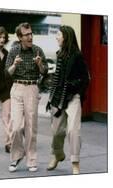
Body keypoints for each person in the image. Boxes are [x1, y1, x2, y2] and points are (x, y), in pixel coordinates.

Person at [46, 25, 90, 175]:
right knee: (57, 131)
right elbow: (57, 79)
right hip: (58, 98)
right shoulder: (59, 54)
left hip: (73, 97)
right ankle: (57, 155)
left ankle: (75, 162)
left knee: (73, 130)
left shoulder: (77, 55)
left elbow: (85, 78)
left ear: (66, 37)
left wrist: (76, 90)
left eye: (58, 34)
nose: (57, 37)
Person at [6, 22, 48, 172]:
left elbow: (44, 72)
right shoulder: (13, 51)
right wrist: (14, 65)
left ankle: (31, 159)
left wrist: (39, 65)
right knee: (16, 126)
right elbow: (7, 73)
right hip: (17, 87)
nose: (30, 37)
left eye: (31, 34)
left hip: (31, 87)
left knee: (31, 126)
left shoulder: (38, 51)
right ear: (19, 37)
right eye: (26, 35)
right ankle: (16, 156)